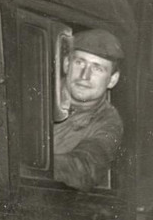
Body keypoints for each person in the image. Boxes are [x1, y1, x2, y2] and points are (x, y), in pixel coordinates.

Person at [53, 29, 124, 191]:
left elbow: (85, 169)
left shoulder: (108, 121)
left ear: (112, 80)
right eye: (79, 63)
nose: (85, 75)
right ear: (66, 64)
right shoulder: (36, 89)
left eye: (97, 68)